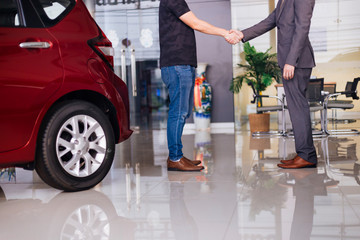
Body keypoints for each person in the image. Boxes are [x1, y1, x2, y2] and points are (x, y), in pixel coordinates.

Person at [233, 0, 318, 169]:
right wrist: (242, 34)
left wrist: (291, 61)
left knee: (298, 108)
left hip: (297, 62)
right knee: (296, 108)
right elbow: (269, 21)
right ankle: (304, 153)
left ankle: (307, 155)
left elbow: (302, 27)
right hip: (290, 60)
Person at [159, 0, 240, 171]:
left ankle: (176, 155)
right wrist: (225, 32)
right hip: (177, 65)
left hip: (181, 65)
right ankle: (175, 158)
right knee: (179, 113)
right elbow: (196, 24)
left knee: (182, 112)